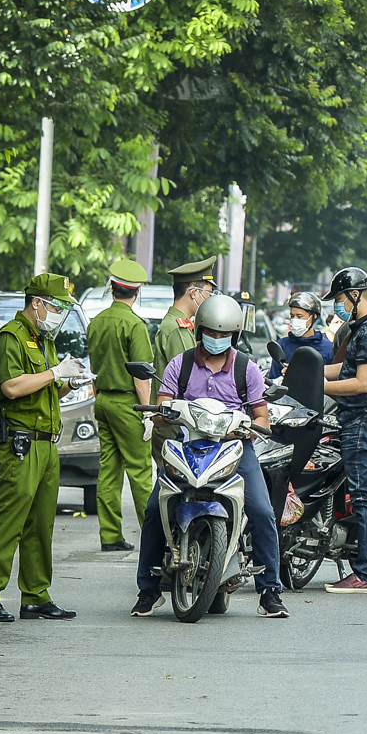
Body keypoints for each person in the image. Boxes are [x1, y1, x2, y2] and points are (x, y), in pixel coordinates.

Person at [132, 292, 289, 619]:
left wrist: (247, 429)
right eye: (211, 333)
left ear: (234, 335)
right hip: (189, 444)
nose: (217, 339)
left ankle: (270, 591)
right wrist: (163, 413)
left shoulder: (247, 369)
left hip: (234, 447)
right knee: (153, 509)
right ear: (200, 330)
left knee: (261, 510)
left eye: (224, 334)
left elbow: (262, 418)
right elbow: (163, 404)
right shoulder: (181, 364)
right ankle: (147, 590)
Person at [0, 273, 85, 622]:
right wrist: (54, 374)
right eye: (55, 306)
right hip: (21, 443)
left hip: (46, 443)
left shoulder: (43, 339)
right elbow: (11, 387)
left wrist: (68, 381)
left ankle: (35, 596)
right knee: (9, 521)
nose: (57, 313)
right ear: (36, 303)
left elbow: (44, 390)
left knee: (40, 525)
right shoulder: (11, 337)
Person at [320, 266, 367, 594]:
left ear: (354, 295)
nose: (337, 306)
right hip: (361, 422)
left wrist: (320, 387)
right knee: (362, 497)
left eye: (339, 299)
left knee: (365, 499)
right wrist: (308, 370)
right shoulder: (364, 327)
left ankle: (365, 575)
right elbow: (347, 367)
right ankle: (363, 571)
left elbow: (362, 383)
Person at [87, 257, 154, 552]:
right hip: (128, 405)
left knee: (109, 470)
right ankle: (153, 537)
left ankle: (110, 535)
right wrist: (148, 413)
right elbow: (141, 376)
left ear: (112, 289)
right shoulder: (135, 325)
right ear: (136, 292)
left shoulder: (97, 321)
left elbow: (93, 367)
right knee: (140, 471)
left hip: (102, 400)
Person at [152, 258, 218, 368]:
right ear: (194, 293)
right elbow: (188, 375)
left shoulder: (182, 325)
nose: (209, 298)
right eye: (208, 293)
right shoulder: (177, 329)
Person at [268, 290, 334, 379]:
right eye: (292, 316)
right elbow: (274, 380)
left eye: (299, 316)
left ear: (314, 316)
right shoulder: (282, 345)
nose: (295, 320)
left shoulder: (328, 348)